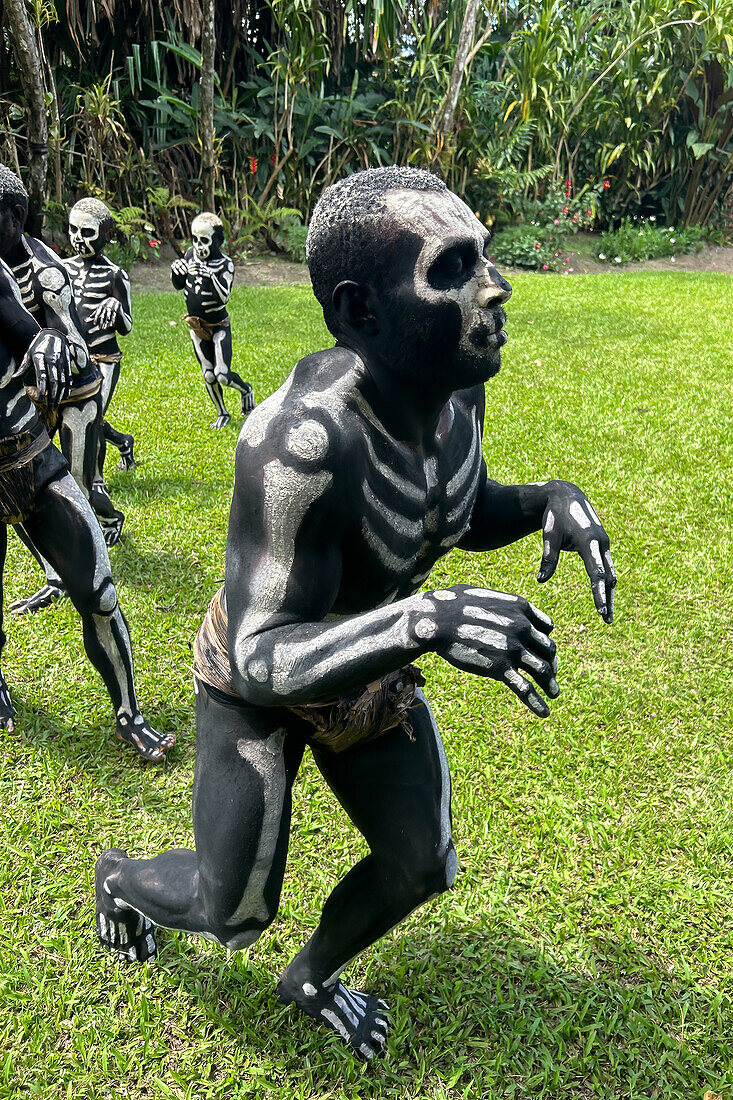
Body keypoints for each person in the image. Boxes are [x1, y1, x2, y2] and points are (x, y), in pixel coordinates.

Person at [96, 167, 615, 1057]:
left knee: (421, 862)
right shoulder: (297, 443)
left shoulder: (451, 391)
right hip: (257, 684)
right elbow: (260, 654)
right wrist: (424, 623)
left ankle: (313, 973)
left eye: (482, 256)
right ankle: (118, 880)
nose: (494, 287)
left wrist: (545, 501)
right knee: (234, 911)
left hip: (365, 664)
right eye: (451, 269)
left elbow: (453, 508)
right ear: (359, 311)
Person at [0, 242, 173, 761]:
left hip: (27, 450)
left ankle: (128, 713)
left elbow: (66, 348)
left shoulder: (13, 278)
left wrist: (52, 344)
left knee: (98, 592)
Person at [0, 167, 122, 618]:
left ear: (16, 216)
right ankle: (59, 570)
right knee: (30, 493)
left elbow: (74, 342)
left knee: (74, 490)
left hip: (74, 396)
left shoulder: (44, 270)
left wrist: (50, 341)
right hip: (32, 400)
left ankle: (94, 542)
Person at [64, 196, 136, 491]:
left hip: (104, 360)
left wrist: (115, 307)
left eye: (87, 233)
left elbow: (128, 326)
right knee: (82, 417)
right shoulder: (62, 268)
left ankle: (96, 482)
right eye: (73, 230)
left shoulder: (115, 275)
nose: (78, 239)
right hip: (73, 358)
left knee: (92, 419)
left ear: (106, 236)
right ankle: (123, 441)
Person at [171, 212, 255, 429]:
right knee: (209, 374)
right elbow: (179, 285)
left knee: (223, 375)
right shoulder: (190, 255)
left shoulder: (225, 264)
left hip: (219, 327)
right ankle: (222, 412)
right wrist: (176, 272)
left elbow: (224, 297)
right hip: (196, 326)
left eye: (205, 240)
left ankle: (246, 390)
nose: (199, 246)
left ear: (217, 241)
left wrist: (208, 275)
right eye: (195, 240)